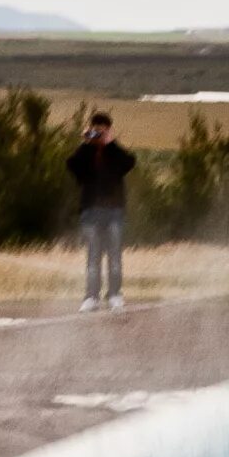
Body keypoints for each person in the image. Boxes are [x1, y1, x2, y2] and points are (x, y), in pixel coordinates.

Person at [65, 110, 137, 312]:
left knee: (114, 256)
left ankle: (114, 295)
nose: (99, 135)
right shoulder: (86, 152)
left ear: (109, 130)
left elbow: (129, 163)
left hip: (114, 210)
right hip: (91, 210)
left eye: (102, 131)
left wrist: (111, 143)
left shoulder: (114, 152)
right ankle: (91, 297)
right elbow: (71, 165)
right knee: (93, 256)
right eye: (96, 131)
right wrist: (86, 144)